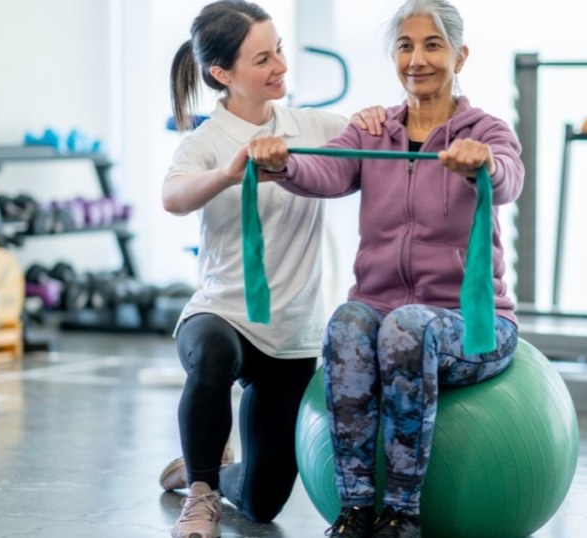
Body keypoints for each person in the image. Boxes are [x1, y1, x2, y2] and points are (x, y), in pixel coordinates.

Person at [246, 0, 523, 536]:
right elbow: (323, 168)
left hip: (472, 327)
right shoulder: (372, 131)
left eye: (432, 45)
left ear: (460, 56)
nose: (417, 58)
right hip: (384, 316)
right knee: (350, 321)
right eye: (405, 45)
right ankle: (354, 510)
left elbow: (510, 177)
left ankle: (402, 515)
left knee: (404, 328)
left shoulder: (486, 130)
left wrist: (483, 163)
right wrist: (282, 162)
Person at [159, 2, 383, 537]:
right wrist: (227, 174)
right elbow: (172, 197)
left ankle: (201, 468)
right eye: (263, 58)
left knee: (262, 503)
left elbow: (375, 139)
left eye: (279, 48)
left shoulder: (311, 126)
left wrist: (377, 119)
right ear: (222, 74)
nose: (281, 64)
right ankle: (201, 494)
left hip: (291, 334)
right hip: (223, 314)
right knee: (211, 355)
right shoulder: (205, 142)